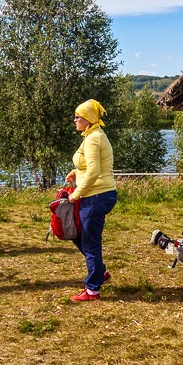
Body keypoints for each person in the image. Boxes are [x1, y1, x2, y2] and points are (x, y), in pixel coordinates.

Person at [64, 99, 118, 301]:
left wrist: (76, 193)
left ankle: (93, 289)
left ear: (88, 119)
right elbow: (89, 165)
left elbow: (95, 171)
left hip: (97, 195)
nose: (75, 120)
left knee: (90, 241)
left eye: (78, 117)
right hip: (95, 194)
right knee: (78, 234)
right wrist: (76, 171)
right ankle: (100, 272)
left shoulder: (94, 138)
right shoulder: (91, 136)